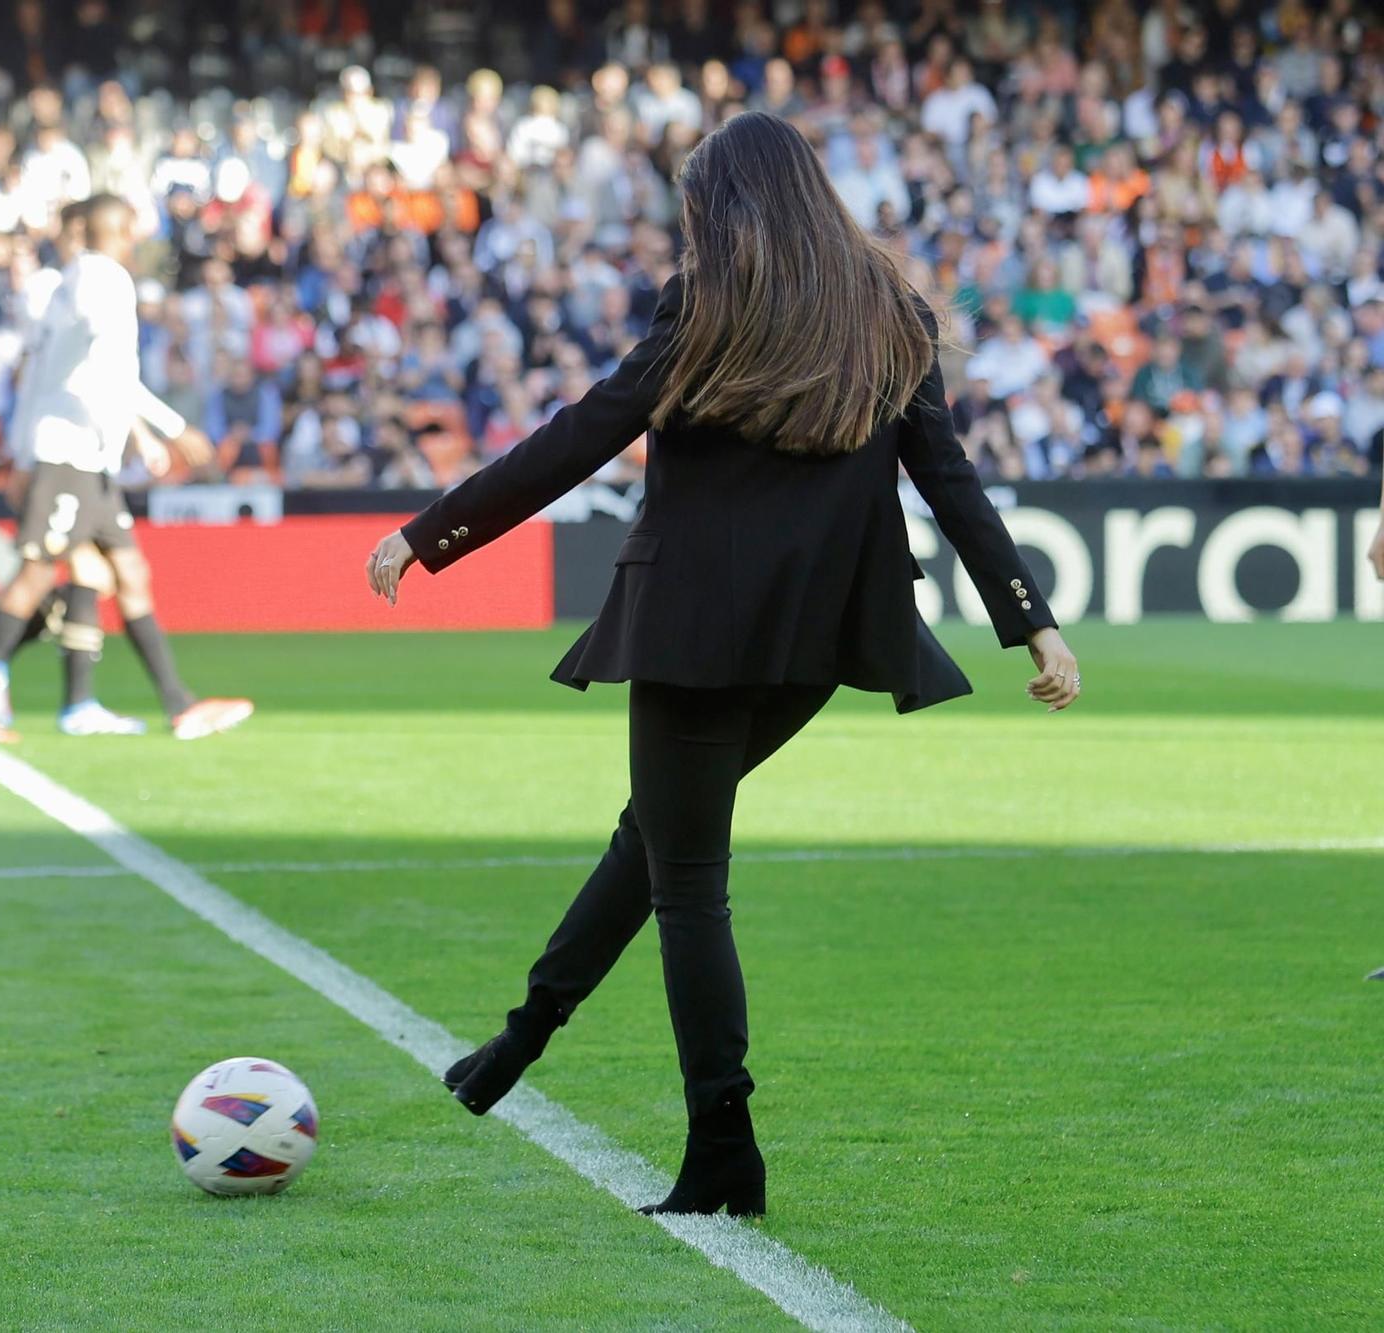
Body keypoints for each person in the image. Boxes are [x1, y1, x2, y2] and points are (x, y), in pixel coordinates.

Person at [365, 113, 1082, 1218]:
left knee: (688, 880)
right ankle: (520, 1037)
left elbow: (585, 429)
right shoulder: (889, 313)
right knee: (658, 832)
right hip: (816, 639)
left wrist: (431, 532)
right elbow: (948, 477)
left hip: (694, 629)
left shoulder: (705, 304)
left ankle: (721, 1148)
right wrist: (1030, 619)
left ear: (721, 204)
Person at [0, 193, 253, 743]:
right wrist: (172, 427)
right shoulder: (101, 278)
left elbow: (76, 373)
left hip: (91, 455)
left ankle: (173, 705)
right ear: (122, 229)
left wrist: (134, 434)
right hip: (69, 454)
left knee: (122, 576)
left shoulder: (73, 282)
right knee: (39, 572)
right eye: (133, 229)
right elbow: (102, 370)